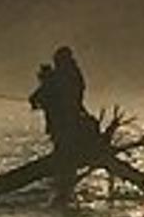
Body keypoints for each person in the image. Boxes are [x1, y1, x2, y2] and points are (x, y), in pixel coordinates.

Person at [28, 46, 95, 204]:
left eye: (57, 59)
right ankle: (65, 188)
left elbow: (39, 97)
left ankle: (63, 191)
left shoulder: (61, 77)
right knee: (65, 153)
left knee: (64, 153)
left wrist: (45, 84)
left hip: (63, 123)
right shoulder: (72, 74)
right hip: (69, 121)